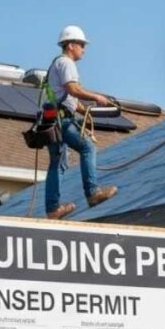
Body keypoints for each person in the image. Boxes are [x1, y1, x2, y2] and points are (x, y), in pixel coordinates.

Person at [44, 25, 118, 219]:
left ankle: (52, 209)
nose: (83, 49)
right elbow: (73, 89)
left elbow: (70, 99)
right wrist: (97, 97)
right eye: (81, 45)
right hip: (61, 119)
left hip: (51, 118)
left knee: (57, 164)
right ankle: (92, 193)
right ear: (70, 45)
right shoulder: (67, 63)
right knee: (88, 148)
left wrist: (87, 111)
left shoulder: (56, 64)